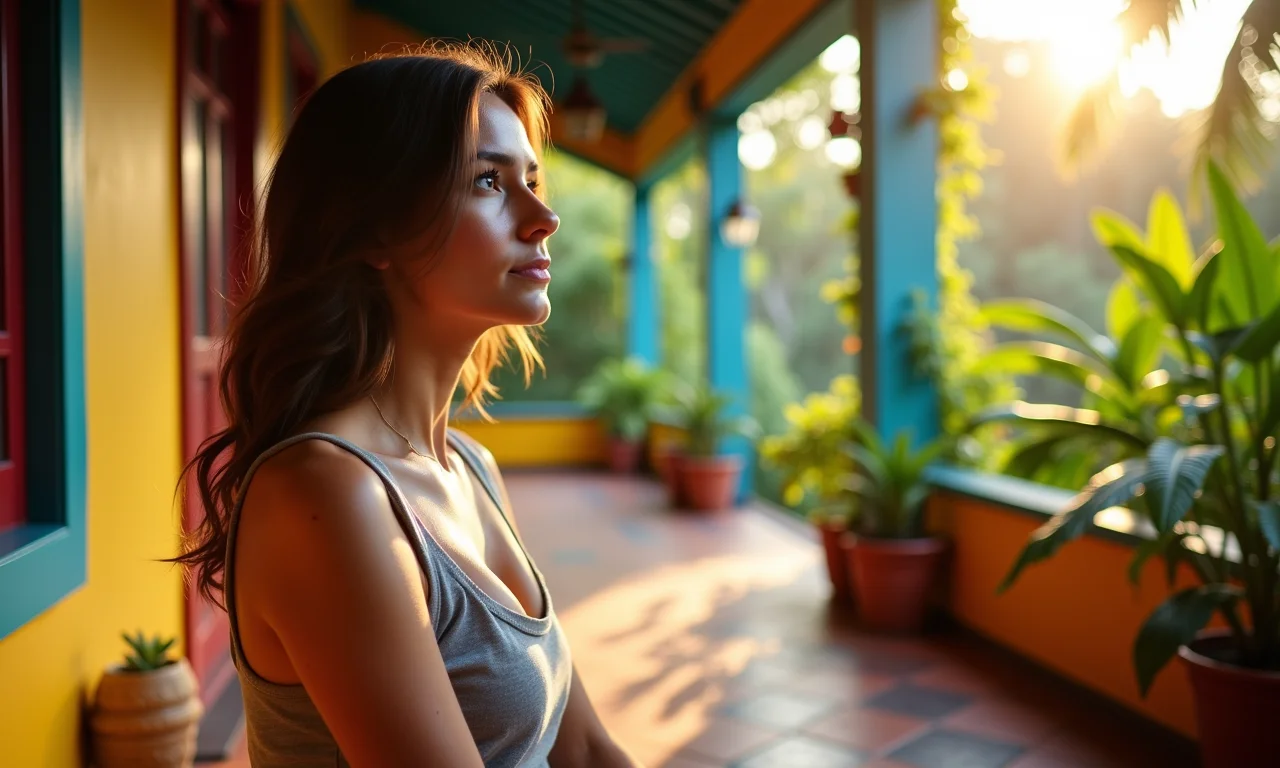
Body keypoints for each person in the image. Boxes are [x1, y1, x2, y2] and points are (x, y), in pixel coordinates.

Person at [175, 42, 642, 768]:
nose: (543, 216)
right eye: (488, 181)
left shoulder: (471, 467)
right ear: (372, 231)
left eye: (531, 179)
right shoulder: (328, 496)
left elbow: (583, 747)